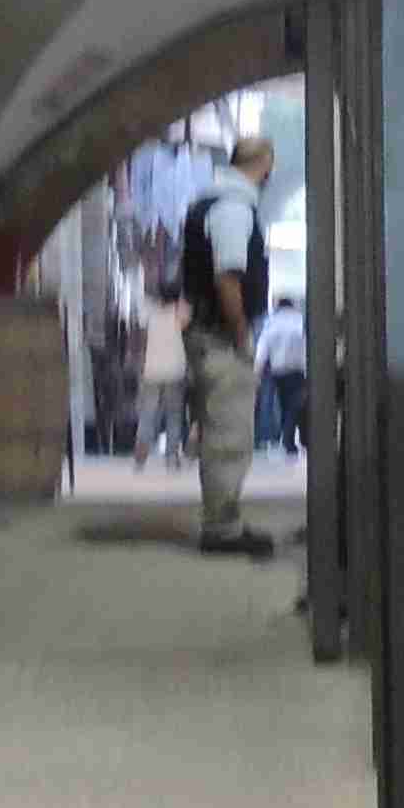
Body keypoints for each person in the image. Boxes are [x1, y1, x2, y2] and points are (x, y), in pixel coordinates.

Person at [181, 129, 280, 557]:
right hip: (221, 336)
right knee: (229, 431)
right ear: (264, 165)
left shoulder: (211, 200)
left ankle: (222, 520)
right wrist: (242, 334)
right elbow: (228, 276)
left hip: (206, 331)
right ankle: (222, 528)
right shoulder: (233, 209)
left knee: (220, 427)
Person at [134, 283, 191, 467]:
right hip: (175, 370)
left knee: (148, 412)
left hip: (152, 369)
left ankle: (141, 450)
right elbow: (188, 328)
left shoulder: (150, 314)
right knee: (174, 414)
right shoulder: (180, 314)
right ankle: (172, 456)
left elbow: (141, 342)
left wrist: (141, 363)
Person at [257, 285, 309, 457]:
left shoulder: (272, 323)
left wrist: (257, 369)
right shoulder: (300, 321)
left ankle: (290, 440)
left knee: (288, 405)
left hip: (278, 371)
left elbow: (262, 348)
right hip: (297, 370)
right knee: (296, 405)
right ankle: (291, 440)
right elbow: (307, 346)